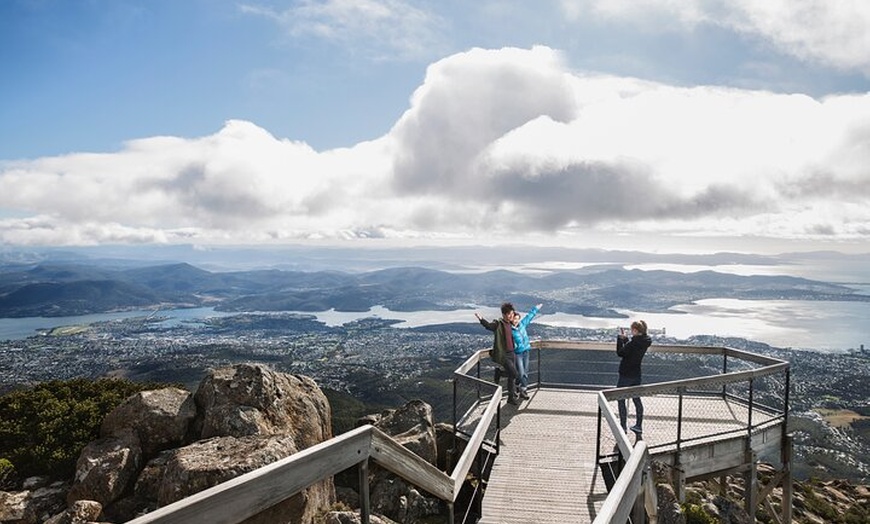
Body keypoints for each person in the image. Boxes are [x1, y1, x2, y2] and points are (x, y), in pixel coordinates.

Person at [475, 303, 520, 405]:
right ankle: (499, 372)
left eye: (512, 314)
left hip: (512, 352)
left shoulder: (510, 323)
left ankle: (510, 397)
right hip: (504, 355)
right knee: (514, 374)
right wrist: (481, 319)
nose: (511, 316)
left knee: (511, 377)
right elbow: (489, 326)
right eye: (509, 314)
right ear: (504, 314)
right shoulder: (499, 324)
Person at [616, 320, 652, 434]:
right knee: (636, 399)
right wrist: (626, 340)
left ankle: (623, 427)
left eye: (632, 330)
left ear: (636, 330)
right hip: (636, 374)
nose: (631, 332)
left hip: (626, 374)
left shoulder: (633, 343)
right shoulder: (645, 342)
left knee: (621, 399)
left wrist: (620, 340)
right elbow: (632, 349)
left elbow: (621, 353)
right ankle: (638, 425)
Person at [511, 303, 542, 399]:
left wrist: (535, 309)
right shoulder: (510, 330)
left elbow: (529, 317)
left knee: (525, 371)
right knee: (521, 372)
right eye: (514, 319)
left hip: (526, 351)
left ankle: (523, 390)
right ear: (511, 319)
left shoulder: (522, 325)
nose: (516, 320)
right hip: (518, 353)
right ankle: (517, 386)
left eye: (517, 318)